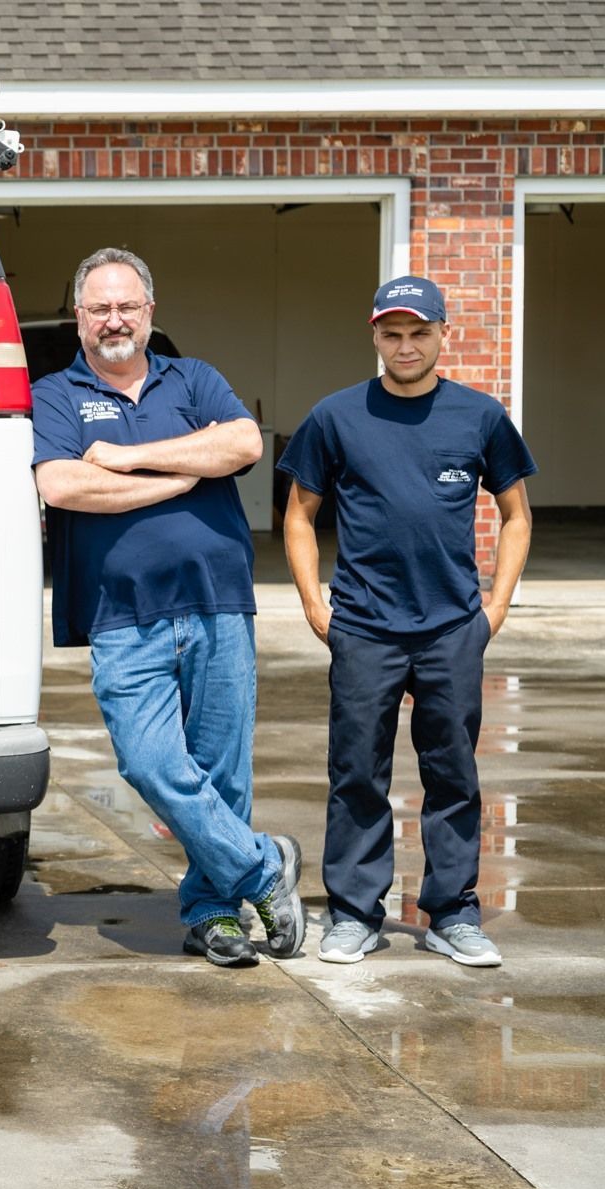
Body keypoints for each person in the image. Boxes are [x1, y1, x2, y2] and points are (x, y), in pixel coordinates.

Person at [32, 247, 303, 967]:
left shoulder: (195, 379)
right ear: (79, 319)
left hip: (218, 602)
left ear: (149, 312)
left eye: (127, 306)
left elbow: (242, 443)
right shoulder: (56, 394)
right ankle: (264, 866)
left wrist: (125, 459)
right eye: (99, 309)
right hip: (122, 613)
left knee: (220, 770)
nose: (114, 320)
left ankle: (213, 915)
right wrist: (182, 476)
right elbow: (62, 486)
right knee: (151, 764)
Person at [279, 276, 535, 969]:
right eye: (392, 334)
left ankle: (452, 912)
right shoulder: (336, 417)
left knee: (452, 773)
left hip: (453, 626)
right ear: (373, 336)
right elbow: (299, 515)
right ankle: (355, 914)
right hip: (363, 625)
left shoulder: (480, 418)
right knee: (357, 772)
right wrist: (313, 604)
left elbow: (516, 515)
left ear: (442, 334)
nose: (406, 346)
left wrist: (495, 608)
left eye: (419, 332)